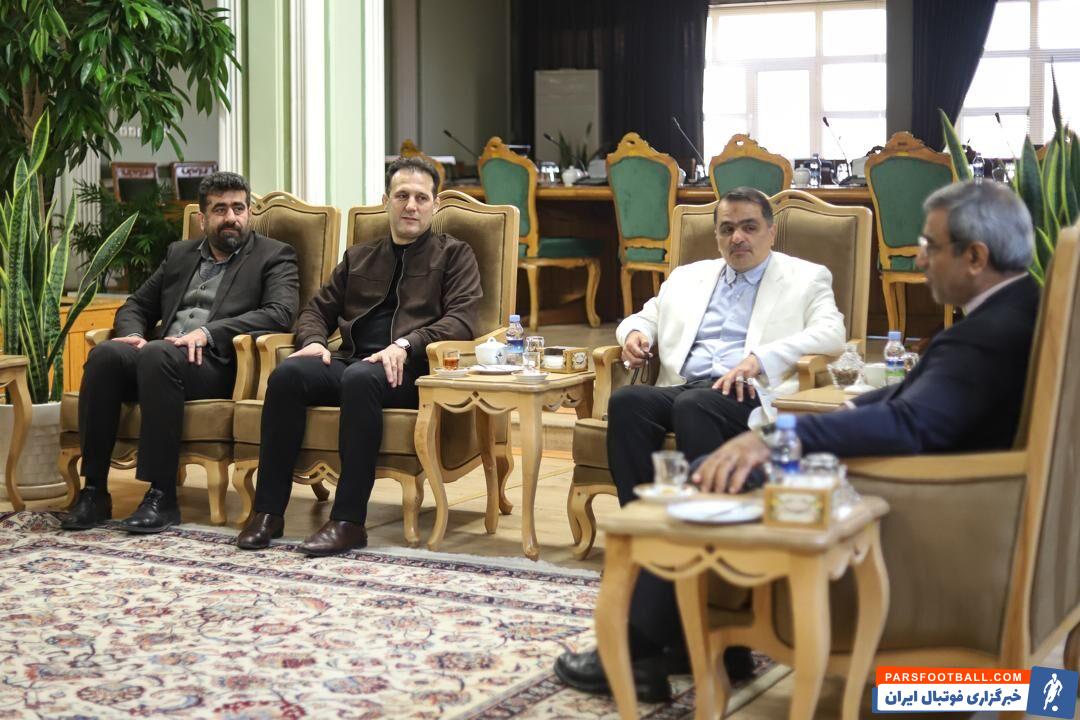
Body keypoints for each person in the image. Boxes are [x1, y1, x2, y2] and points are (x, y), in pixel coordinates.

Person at [554, 187, 847, 702]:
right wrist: (633, 335)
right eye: (727, 229)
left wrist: (761, 360)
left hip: (747, 397)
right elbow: (644, 316)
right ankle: (651, 545)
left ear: (770, 231)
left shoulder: (805, 277)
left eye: (749, 227)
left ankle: (699, 599)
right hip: (684, 387)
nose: (738, 238)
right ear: (716, 235)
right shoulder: (688, 277)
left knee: (696, 407)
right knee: (629, 402)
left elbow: (832, 334)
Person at [694, 179, 1040, 493]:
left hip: (923, 493)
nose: (920, 260)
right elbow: (918, 392)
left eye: (930, 246)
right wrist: (846, 409)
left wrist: (777, 438)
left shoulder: (985, 335)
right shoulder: (1018, 308)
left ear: (975, 257)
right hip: (937, 480)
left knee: (704, 474)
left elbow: (908, 423)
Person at [236, 156, 482, 557]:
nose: (411, 206)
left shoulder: (454, 255)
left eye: (421, 198)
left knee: (360, 378)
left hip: (412, 371)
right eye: (402, 196)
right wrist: (314, 341)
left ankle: (348, 521)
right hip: (354, 361)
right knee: (287, 375)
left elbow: (462, 320)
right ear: (386, 201)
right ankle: (268, 513)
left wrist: (406, 345)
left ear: (435, 205)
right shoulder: (360, 256)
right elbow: (316, 310)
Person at [62, 171, 300, 533]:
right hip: (158, 357)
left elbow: (280, 313)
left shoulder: (274, 255)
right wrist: (133, 336)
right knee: (106, 356)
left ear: (249, 212)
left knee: (158, 355)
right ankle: (94, 492)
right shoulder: (179, 254)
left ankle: (162, 496)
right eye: (220, 210)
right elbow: (136, 305)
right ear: (203, 219)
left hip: (216, 364)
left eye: (238, 208)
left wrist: (208, 332)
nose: (232, 217)